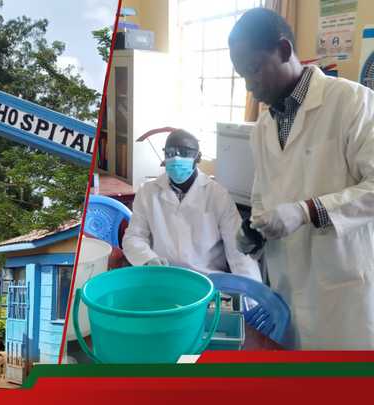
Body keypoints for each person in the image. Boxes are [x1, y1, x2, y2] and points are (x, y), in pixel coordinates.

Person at [230, 8, 374, 349]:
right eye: (242, 76)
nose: (250, 86)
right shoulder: (264, 127)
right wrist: (254, 231)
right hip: (287, 291)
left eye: (253, 70)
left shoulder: (352, 103)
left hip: (344, 291)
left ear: (283, 50)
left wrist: (308, 210)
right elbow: (264, 197)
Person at [120, 129, 262, 281]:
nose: (175, 158)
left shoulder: (218, 195)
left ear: (198, 157)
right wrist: (148, 259)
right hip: (162, 276)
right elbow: (134, 237)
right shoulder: (147, 192)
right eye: (170, 153)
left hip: (206, 280)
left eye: (184, 152)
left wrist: (253, 294)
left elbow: (238, 250)